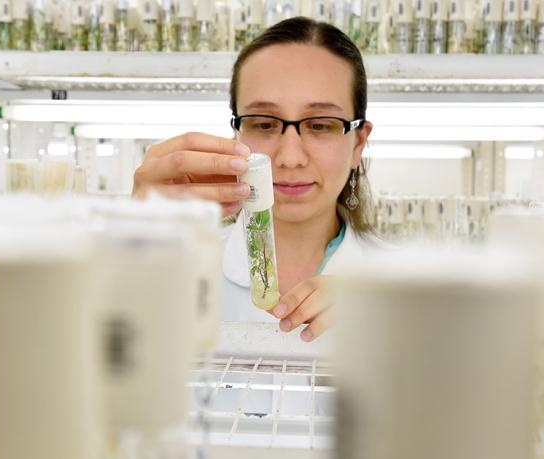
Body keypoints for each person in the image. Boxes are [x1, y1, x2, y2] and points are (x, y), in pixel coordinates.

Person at [133, 16, 377, 343]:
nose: (290, 158)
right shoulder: (177, 267)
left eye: (320, 125)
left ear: (358, 142)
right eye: (263, 124)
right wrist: (126, 248)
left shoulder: (409, 288)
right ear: (236, 133)